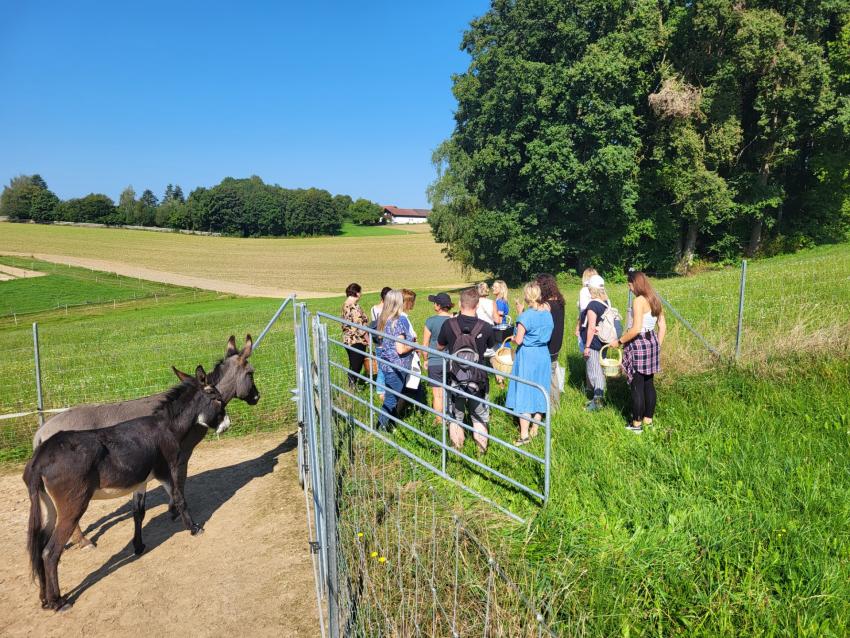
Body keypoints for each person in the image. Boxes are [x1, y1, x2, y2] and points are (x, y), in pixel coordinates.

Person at [437, 288, 495, 454]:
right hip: (478, 381)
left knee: (455, 417)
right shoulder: (486, 327)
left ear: (460, 303)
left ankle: (457, 453)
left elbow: (440, 346)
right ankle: (481, 454)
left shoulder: (448, 324)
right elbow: (490, 346)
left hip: (454, 378)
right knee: (479, 418)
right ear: (477, 305)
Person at [611, 271, 666, 433]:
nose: (629, 289)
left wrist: (619, 341)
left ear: (636, 284)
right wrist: (657, 346)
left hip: (639, 343)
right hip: (652, 342)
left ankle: (636, 425)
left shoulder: (639, 301)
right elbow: (662, 326)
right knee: (649, 383)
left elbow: (635, 329)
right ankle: (648, 421)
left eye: (629, 285)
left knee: (637, 385)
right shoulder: (654, 298)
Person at [506, 282, 554, 445]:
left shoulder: (525, 317)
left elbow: (519, 340)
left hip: (528, 356)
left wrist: (513, 337)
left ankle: (524, 435)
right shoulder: (548, 314)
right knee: (540, 388)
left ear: (527, 296)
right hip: (543, 354)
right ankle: (536, 426)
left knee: (525, 392)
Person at [376, 290, 415, 431]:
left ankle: (388, 424)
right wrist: (414, 345)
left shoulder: (384, 318)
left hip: (386, 364)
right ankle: (381, 428)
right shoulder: (399, 320)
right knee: (391, 399)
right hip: (397, 366)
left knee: (391, 396)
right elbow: (401, 349)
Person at [421, 292, 453, 424]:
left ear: (438, 306)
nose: (434, 304)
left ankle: (439, 420)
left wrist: (426, 359)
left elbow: (425, 345)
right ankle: (451, 418)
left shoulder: (430, 321)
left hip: (434, 361)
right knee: (450, 391)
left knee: (437, 394)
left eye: (435, 302)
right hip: (451, 361)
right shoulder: (453, 321)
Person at [580, 275, 610, 411]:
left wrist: (586, 346)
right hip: (604, 342)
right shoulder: (606, 302)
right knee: (600, 372)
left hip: (594, 344)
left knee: (594, 373)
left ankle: (597, 402)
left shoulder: (593, 305)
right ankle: (598, 399)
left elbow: (591, 327)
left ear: (592, 289)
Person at [536, 273, 565, 410]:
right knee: (552, 376)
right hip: (556, 344)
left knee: (546, 377)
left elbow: (538, 326)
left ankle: (549, 408)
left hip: (547, 346)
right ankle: (554, 406)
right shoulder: (559, 301)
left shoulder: (546, 306)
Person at [341, 283, 370, 387]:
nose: (361, 295)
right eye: (360, 292)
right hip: (356, 340)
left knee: (353, 365)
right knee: (356, 366)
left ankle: (351, 387)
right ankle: (351, 388)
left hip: (347, 339)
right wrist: (368, 340)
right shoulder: (354, 307)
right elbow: (360, 328)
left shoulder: (345, 305)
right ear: (357, 293)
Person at [575, 268, 597, 351]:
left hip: (587, 326)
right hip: (599, 326)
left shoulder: (584, 291)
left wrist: (578, 327)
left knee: (587, 351)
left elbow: (583, 312)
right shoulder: (602, 291)